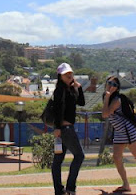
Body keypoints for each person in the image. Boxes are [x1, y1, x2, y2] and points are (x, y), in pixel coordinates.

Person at [51, 63, 85, 195]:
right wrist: (57, 127)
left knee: (58, 161)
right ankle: (70, 188)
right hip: (65, 129)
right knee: (79, 156)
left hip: (65, 129)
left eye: (70, 73)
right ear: (60, 76)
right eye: (66, 74)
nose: (69, 75)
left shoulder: (70, 89)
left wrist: (79, 88)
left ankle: (59, 190)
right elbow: (57, 110)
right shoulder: (59, 91)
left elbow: (81, 102)